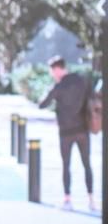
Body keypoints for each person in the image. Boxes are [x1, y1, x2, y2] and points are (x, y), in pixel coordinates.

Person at [39, 57, 95, 210]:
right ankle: (91, 199)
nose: (52, 74)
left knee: (66, 165)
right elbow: (92, 99)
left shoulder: (59, 86)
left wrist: (50, 90)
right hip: (83, 130)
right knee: (87, 164)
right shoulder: (82, 81)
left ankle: (68, 199)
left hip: (65, 132)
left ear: (57, 69)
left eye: (52, 71)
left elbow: (42, 104)